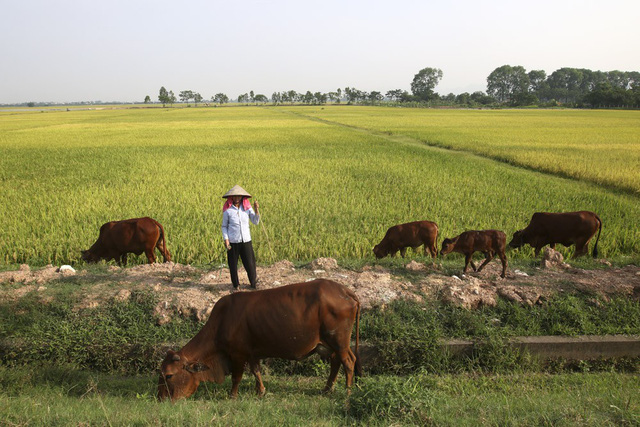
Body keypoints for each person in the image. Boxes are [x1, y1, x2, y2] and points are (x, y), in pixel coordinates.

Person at [221, 185, 260, 290]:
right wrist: (226, 240)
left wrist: (256, 210)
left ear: (242, 197)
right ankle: (236, 285)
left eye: (239, 196)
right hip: (233, 241)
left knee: (250, 263)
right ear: (231, 198)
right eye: (235, 196)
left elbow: (255, 221)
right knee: (233, 264)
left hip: (246, 240)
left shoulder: (247, 208)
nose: (237, 198)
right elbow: (224, 226)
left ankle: (253, 282)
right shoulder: (228, 210)